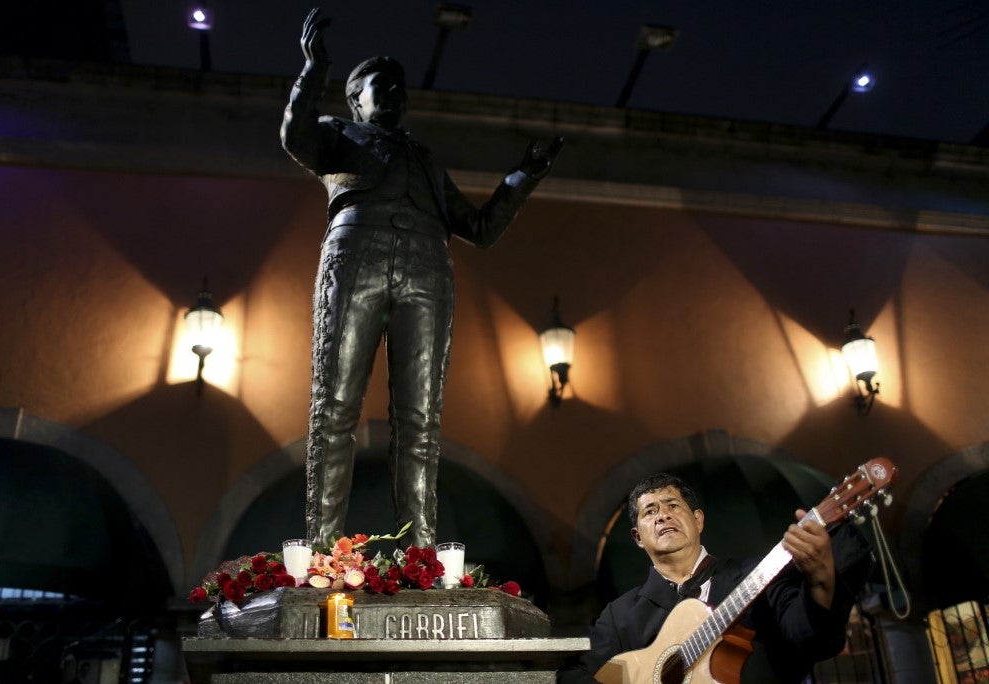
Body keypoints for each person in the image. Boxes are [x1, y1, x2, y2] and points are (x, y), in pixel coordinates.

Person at [280, 8, 564, 550]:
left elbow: (479, 229)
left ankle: (422, 554)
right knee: (335, 407)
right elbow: (295, 135)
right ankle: (320, 555)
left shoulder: (426, 159)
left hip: (428, 271)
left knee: (420, 420)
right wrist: (313, 70)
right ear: (356, 99)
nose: (394, 94)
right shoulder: (337, 133)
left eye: (400, 87)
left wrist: (523, 176)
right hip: (356, 257)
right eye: (380, 86)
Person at [558, 472, 873, 683]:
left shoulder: (757, 575)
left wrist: (820, 580)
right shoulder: (619, 615)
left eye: (672, 505)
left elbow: (812, 640)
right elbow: (572, 676)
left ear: (698, 521)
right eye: (650, 511)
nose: (663, 515)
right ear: (638, 537)